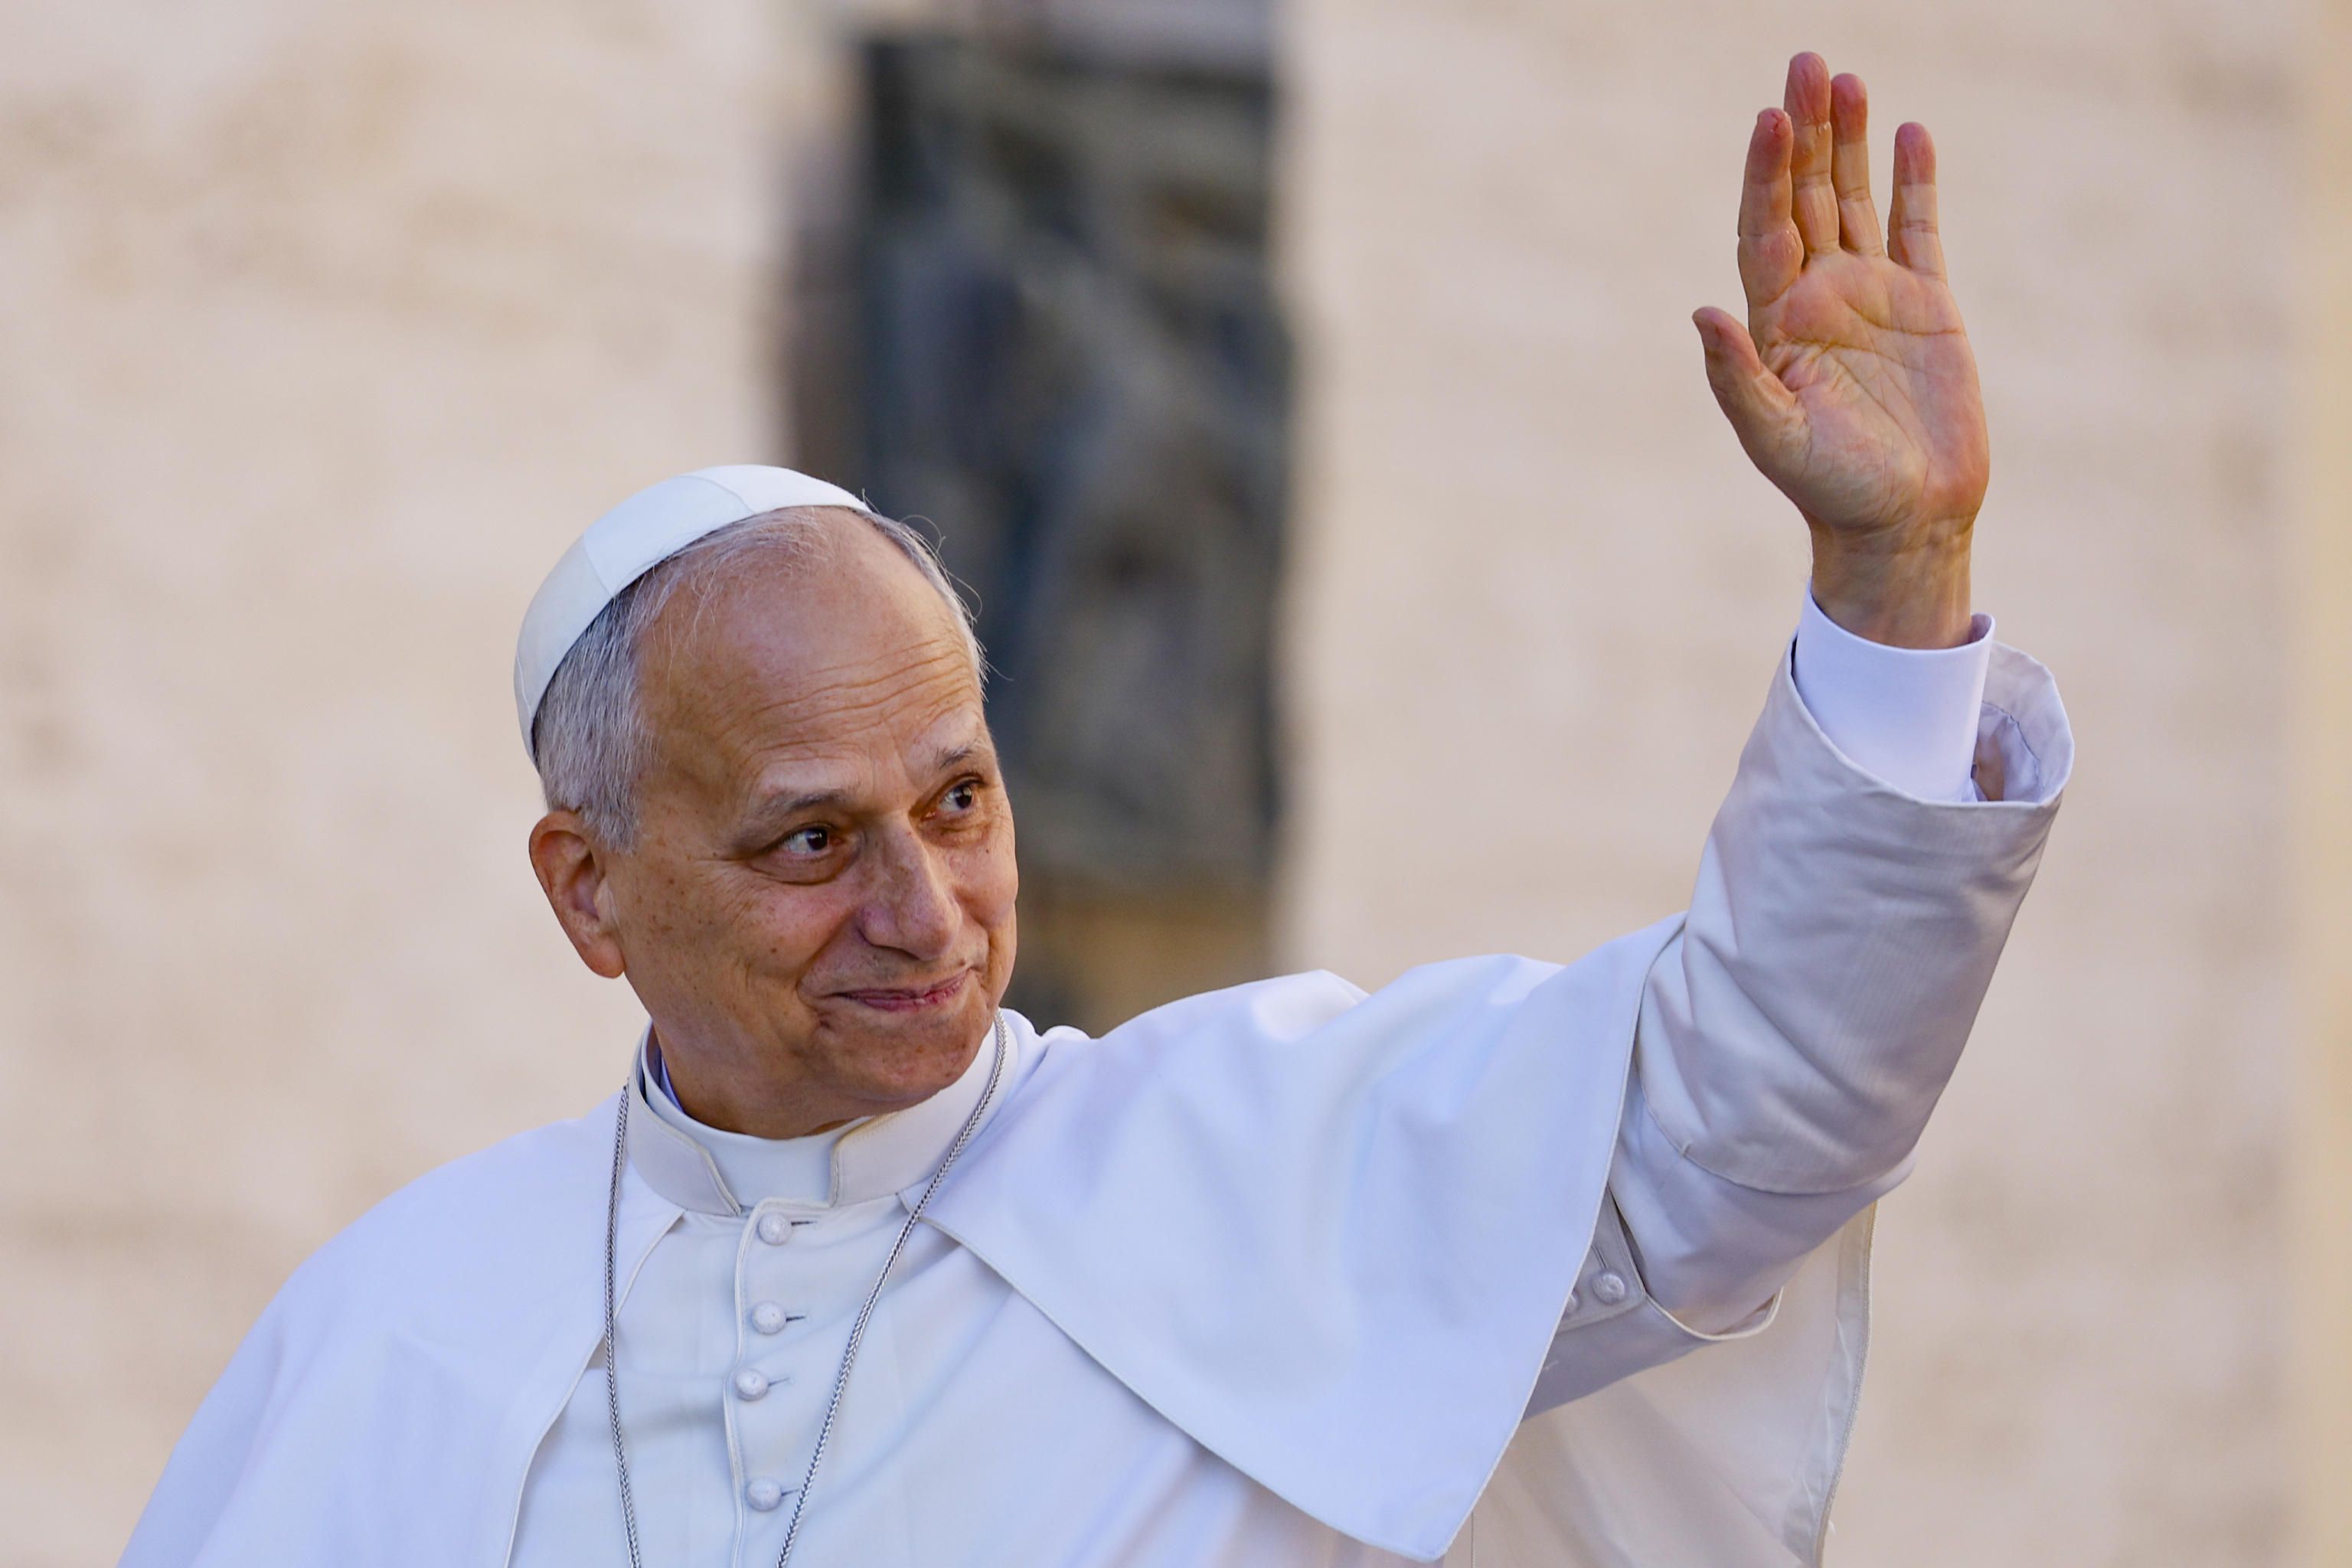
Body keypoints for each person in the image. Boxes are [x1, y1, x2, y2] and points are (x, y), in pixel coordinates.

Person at [120, 52, 2071, 1568]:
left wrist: (1895, 581)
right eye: (812, 841)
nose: (927, 912)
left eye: (960, 801)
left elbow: (1756, 1111)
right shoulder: (394, 1333)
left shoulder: (1264, 1165)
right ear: (589, 889)